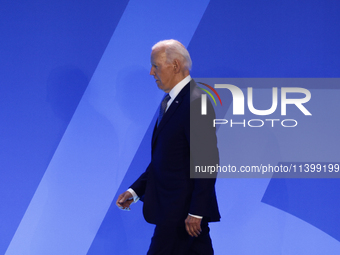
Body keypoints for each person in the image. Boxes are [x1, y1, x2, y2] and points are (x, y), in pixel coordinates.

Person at [116, 39, 220, 255]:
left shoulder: (196, 101)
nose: (151, 72)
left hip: (181, 215)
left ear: (174, 65)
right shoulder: (172, 102)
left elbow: (207, 161)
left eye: (156, 65)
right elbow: (166, 160)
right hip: (177, 213)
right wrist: (135, 190)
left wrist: (197, 212)